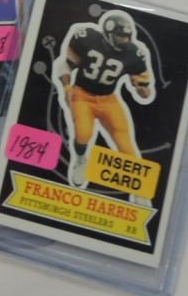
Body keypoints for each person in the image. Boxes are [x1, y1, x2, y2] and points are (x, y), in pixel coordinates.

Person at [53, 10, 156, 200]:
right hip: (82, 94)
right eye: (120, 35)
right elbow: (64, 65)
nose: (124, 40)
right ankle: (81, 159)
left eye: (127, 36)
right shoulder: (86, 37)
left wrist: (143, 89)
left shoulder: (134, 53)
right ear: (108, 33)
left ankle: (139, 190)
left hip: (109, 99)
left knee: (126, 145)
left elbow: (141, 82)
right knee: (84, 133)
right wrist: (67, 88)